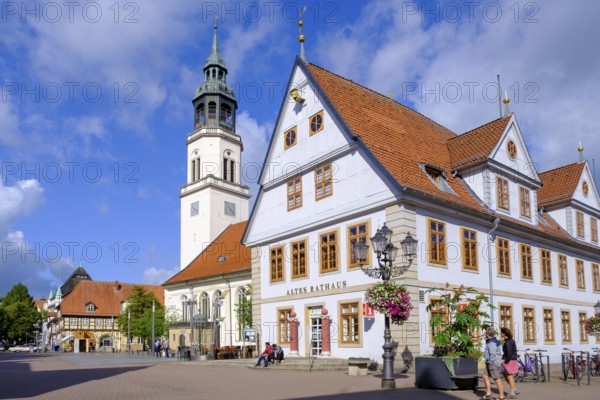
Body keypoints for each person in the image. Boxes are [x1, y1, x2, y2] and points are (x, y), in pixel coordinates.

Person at [480, 328, 505, 400]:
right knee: (485, 376)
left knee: (496, 378)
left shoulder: (492, 343)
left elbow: (492, 354)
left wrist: (490, 362)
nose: (484, 334)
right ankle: (488, 394)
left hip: (493, 363)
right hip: (489, 362)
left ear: (488, 334)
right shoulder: (490, 341)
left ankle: (501, 396)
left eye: (485, 333)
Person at [500, 327, 519, 399]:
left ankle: (513, 392)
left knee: (509, 376)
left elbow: (509, 353)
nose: (500, 334)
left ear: (504, 334)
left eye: (501, 333)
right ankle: (514, 388)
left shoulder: (508, 342)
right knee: (505, 374)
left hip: (510, 360)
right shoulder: (510, 341)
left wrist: (505, 361)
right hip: (511, 359)